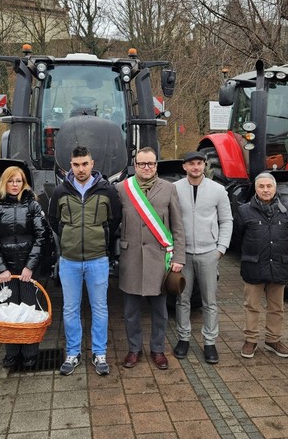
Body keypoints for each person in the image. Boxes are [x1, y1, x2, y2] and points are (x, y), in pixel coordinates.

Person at [48, 146, 121, 376]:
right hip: (69, 261)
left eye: (85, 164)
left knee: (99, 308)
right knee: (70, 308)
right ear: (70, 165)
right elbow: (53, 221)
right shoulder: (60, 192)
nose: (81, 169)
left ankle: (99, 353)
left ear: (92, 163)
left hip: (97, 259)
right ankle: (73, 352)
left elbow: (115, 219)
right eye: (76, 165)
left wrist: (101, 242)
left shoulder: (106, 191)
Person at [118, 146, 185, 370]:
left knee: (160, 311)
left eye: (151, 164)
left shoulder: (168, 189)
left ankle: (157, 349)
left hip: (160, 261)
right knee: (130, 312)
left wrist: (179, 257)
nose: (147, 167)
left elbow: (178, 227)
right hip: (131, 260)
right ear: (135, 165)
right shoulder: (122, 189)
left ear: (156, 165)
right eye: (142, 164)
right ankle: (134, 349)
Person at [172, 151, 232, 364]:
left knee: (210, 301)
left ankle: (209, 342)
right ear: (184, 167)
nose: (195, 167)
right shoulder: (175, 189)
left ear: (204, 166)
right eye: (191, 164)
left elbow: (226, 220)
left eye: (199, 163)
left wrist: (221, 249)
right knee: (183, 299)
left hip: (209, 253)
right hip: (183, 253)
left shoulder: (218, 190)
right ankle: (183, 338)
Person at [0, 166, 48, 369]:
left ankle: (30, 351)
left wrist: (30, 266)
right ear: (5, 182)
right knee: (10, 310)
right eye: (11, 181)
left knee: (29, 308)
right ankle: (12, 352)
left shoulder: (33, 206)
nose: (15, 185)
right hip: (6, 269)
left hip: (28, 268)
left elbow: (41, 236)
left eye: (18, 181)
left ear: (24, 183)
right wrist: (1, 269)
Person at [235, 172, 288, 360]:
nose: (265, 190)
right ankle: (251, 340)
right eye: (261, 186)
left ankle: (273, 339)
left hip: (278, 265)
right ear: (255, 189)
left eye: (269, 186)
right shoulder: (244, 211)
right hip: (253, 265)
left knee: (276, 307)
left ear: (275, 188)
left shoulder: (287, 211)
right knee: (251, 305)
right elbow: (238, 236)